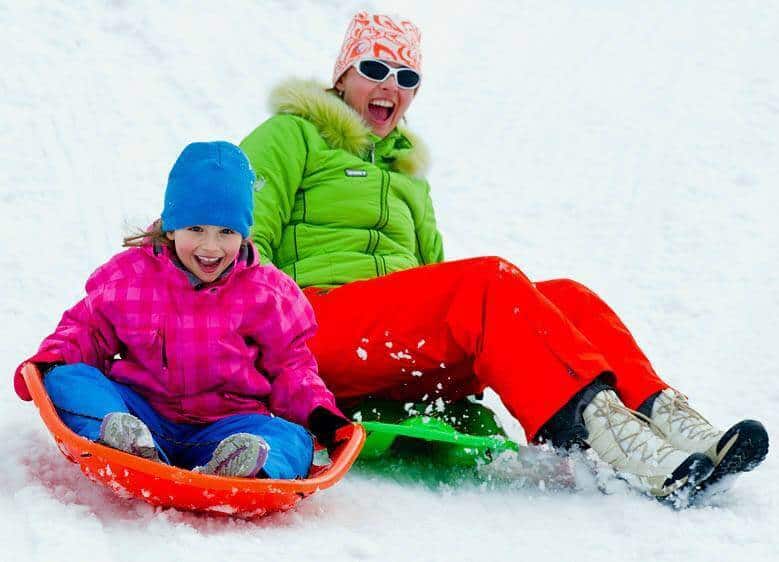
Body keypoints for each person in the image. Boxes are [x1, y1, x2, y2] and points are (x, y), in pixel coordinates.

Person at [238, 12, 768, 501]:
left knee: (565, 299)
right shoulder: (291, 136)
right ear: (341, 76)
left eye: (406, 78)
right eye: (374, 68)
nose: (389, 86)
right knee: (487, 282)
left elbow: (432, 283)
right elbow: (242, 240)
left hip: (393, 349)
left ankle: (666, 419)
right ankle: (619, 445)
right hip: (313, 328)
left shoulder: (407, 177)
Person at [13, 141, 347, 479]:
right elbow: (88, 331)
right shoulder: (130, 277)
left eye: (227, 232)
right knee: (69, 379)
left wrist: (320, 414)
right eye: (196, 229)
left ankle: (243, 468)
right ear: (171, 227)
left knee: (292, 438)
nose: (210, 247)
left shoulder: (269, 293)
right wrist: (52, 362)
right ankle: (126, 443)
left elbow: (291, 368)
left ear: (244, 235)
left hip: (227, 427)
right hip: (141, 414)